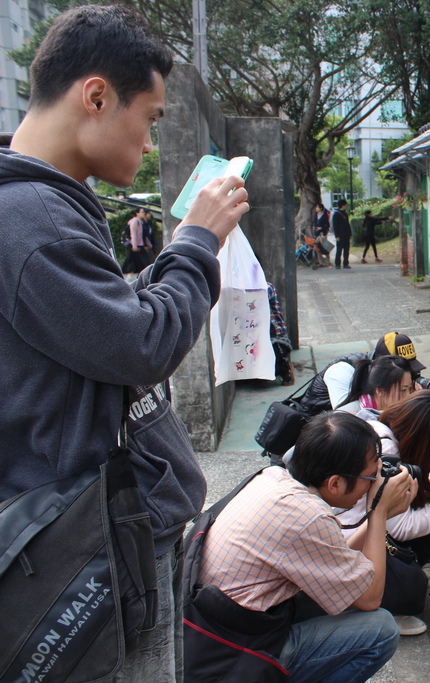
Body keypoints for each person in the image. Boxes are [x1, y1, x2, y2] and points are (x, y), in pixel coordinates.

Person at [0, 4, 249, 680]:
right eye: (150, 119)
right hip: (87, 549)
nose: (148, 143)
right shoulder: (33, 221)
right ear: (96, 96)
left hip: (105, 531)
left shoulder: (42, 206)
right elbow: (142, 343)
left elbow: (102, 330)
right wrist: (197, 241)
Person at [192, 412, 413, 682]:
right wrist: (377, 513)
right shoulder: (308, 517)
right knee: (381, 631)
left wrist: (381, 513)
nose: (374, 482)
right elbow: (369, 599)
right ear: (335, 483)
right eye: (370, 477)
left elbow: (337, 563)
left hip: (216, 625)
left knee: (343, 595)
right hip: (236, 650)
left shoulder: (274, 478)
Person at [339, 392, 430, 636]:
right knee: (413, 590)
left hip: (347, 531)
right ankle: (385, 601)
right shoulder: (386, 451)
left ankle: (395, 578)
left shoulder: (378, 431)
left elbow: (413, 473)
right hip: (345, 545)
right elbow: (399, 527)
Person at [339, 354, 416, 417]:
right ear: (380, 391)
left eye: (410, 389)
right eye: (402, 390)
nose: (408, 396)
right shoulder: (349, 418)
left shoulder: (402, 413)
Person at [120, 206, 148, 278]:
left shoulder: (141, 222)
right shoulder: (134, 222)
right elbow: (133, 234)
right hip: (135, 246)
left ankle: (132, 277)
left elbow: (143, 235)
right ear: (137, 213)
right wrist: (134, 246)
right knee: (141, 263)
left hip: (139, 245)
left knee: (134, 263)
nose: (143, 213)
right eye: (142, 212)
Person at [333, 198, 352, 269]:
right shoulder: (336, 214)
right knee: (339, 250)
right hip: (340, 235)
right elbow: (335, 226)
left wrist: (350, 233)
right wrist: (336, 236)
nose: (346, 206)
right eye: (345, 205)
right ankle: (337, 264)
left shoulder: (345, 214)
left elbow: (347, 224)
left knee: (346, 250)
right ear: (342, 205)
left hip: (346, 234)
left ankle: (346, 263)